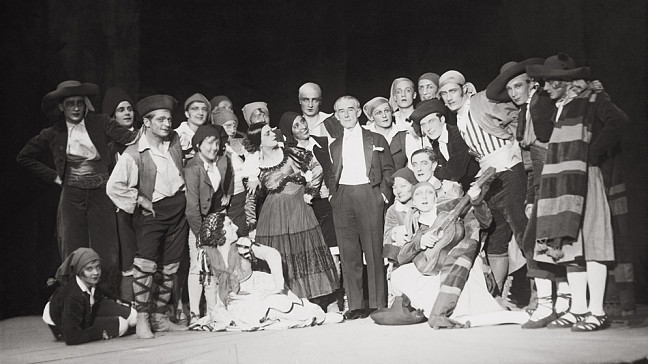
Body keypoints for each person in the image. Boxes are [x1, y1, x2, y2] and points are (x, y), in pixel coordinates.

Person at [525, 54, 629, 331]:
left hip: (585, 178)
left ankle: (597, 311)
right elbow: (545, 135)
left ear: (566, 80)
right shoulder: (559, 105)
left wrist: (591, 153)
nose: (545, 87)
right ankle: (579, 308)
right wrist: (540, 101)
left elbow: (618, 122)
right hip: (560, 181)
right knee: (570, 245)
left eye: (549, 82)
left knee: (592, 242)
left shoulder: (594, 98)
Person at [17, 80, 136, 296]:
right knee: (73, 251)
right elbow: (24, 156)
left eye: (79, 103)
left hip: (101, 192)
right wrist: (54, 176)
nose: (75, 108)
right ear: (61, 106)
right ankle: (76, 305)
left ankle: (106, 304)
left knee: (107, 252)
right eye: (70, 103)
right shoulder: (53, 132)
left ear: (85, 104)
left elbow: (129, 137)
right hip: (72, 195)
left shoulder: (101, 122)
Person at [486, 57, 572, 328]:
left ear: (532, 83)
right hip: (539, 180)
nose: (514, 93)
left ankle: (553, 306)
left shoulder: (541, 103)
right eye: (510, 89)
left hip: (554, 177)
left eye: (518, 86)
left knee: (546, 242)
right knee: (546, 242)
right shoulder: (527, 109)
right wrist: (531, 198)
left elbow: (546, 146)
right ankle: (558, 305)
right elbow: (531, 162)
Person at [438, 70, 528, 297]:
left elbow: (516, 115)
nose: (448, 97)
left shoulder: (480, 101)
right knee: (496, 238)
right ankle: (495, 298)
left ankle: (543, 296)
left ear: (465, 89)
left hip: (508, 168)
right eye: (444, 93)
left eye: (453, 91)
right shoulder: (458, 117)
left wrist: (517, 144)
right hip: (490, 176)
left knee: (522, 231)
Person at [388, 182, 528, 328]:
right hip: (433, 270)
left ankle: (461, 315)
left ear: (436, 198)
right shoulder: (416, 226)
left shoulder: (453, 210)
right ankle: (441, 312)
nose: (424, 197)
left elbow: (485, 222)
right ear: (414, 202)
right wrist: (420, 241)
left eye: (428, 192)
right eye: (418, 194)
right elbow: (402, 256)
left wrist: (476, 200)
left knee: (457, 282)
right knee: (400, 275)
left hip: (462, 262)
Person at [106, 94, 189, 338]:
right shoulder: (134, 153)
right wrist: (139, 199)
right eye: (161, 119)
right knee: (146, 264)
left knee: (171, 264)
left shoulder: (174, 142)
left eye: (169, 119)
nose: (166, 124)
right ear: (147, 122)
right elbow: (113, 187)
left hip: (178, 209)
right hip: (154, 211)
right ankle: (142, 318)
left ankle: (160, 317)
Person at [189, 212, 342, 331]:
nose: (235, 227)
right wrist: (212, 309)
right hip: (233, 299)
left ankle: (316, 317)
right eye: (229, 224)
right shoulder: (207, 254)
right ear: (220, 232)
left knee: (276, 307)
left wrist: (278, 284)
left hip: (257, 288)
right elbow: (209, 284)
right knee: (243, 315)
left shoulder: (242, 244)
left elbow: (272, 254)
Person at [244, 122, 339, 300]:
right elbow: (250, 200)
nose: (273, 134)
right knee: (283, 255)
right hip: (274, 216)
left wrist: (311, 191)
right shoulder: (254, 167)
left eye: (271, 131)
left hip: (299, 209)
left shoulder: (289, 152)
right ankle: (289, 298)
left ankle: (318, 299)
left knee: (305, 249)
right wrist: (251, 225)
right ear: (259, 142)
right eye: (267, 134)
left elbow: (317, 167)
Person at [329, 96, 395, 320]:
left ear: (359, 112)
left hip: (369, 193)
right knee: (349, 253)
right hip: (343, 196)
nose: (346, 114)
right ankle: (356, 305)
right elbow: (333, 172)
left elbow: (388, 169)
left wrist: (382, 195)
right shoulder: (334, 145)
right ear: (336, 115)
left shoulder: (375, 138)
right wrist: (333, 195)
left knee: (374, 251)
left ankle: (377, 304)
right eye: (341, 111)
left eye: (350, 109)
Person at [279, 111, 342, 311]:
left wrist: (333, 193)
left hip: (327, 203)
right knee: (311, 252)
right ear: (290, 132)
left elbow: (332, 170)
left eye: (303, 122)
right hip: (304, 207)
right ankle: (315, 300)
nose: (303, 127)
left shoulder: (322, 142)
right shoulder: (287, 153)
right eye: (296, 126)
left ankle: (336, 297)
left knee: (333, 252)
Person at [184, 124, 234, 323]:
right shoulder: (193, 168)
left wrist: (227, 195)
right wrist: (201, 236)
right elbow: (192, 208)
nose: (214, 147)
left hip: (214, 221)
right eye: (209, 143)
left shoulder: (220, 162)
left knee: (214, 266)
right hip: (198, 224)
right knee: (198, 266)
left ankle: (213, 310)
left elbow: (226, 184)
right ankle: (195, 313)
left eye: (216, 143)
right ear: (198, 144)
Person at [43, 248, 136, 345]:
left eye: (98, 267)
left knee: (134, 316)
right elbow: (72, 337)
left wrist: (127, 304)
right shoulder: (74, 296)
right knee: (122, 325)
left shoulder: (90, 281)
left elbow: (104, 294)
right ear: (79, 271)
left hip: (88, 308)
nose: (96, 272)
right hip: (68, 321)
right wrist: (99, 332)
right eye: (89, 269)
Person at [101, 86, 140, 301]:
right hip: (123, 209)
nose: (127, 113)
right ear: (112, 116)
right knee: (128, 258)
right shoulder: (110, 147)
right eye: (121, 110)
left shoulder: (145, 137)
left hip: (150, 205)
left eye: (129, 108)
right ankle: (129, 307)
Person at [409, 99, 479, 193]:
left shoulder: (457, 135)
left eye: (431, 121)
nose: (428, 128)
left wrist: (432, 169)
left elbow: (454, 173)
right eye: (424, 125)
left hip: (482, 183)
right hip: (467, 189)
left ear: (442, 119)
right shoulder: (436, 142)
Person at [213, 109, 249, 235]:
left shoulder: (239, 144)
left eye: (234, 126)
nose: (232, 130)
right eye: (228, 126)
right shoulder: (216, 149)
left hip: (241, 192)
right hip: (225, 196)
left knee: (241, 228)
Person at [175, 93, 212, 160]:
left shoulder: (210, 135)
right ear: (187, 114)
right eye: (195, 109)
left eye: (204, 109)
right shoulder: (177, 136)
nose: (201, 113)